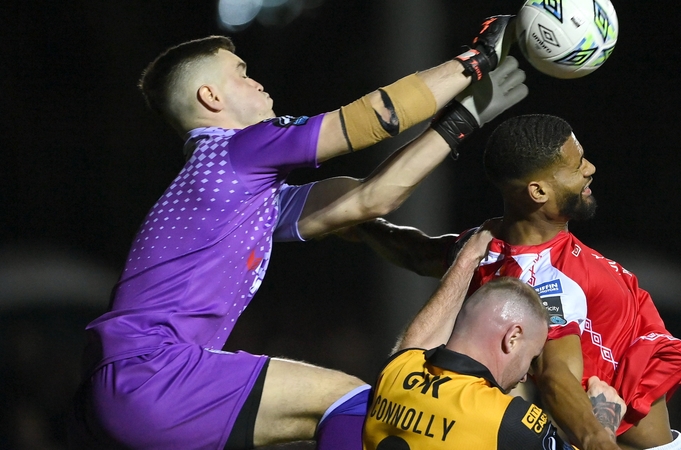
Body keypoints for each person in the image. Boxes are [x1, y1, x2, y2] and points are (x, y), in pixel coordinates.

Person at [70, 17, 529, 450]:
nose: (257, 81)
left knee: (343, 412)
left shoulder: (238, 190)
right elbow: (374, 116)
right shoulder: (238, 147)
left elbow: (370, 199)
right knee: (356, 405)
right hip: (154, 373)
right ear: (211, 97)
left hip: (123, 388)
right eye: (241, 74)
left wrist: (464, 119)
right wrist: (476, 60)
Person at [339, 114, 681, 450]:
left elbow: (420, 254)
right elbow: (554, 372)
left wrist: (359, 224)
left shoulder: (490, 246)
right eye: (578, 167)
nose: (590, 169)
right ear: (538, 193)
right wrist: (597, 439)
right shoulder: (546, 279)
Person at [363, 226, 627, 450]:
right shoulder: (508, 420)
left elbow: (418, 340)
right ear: (512, 338)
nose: (525, 376)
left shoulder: (396, 373)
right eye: (533, 357)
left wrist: (469, 256)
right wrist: (605, 423)